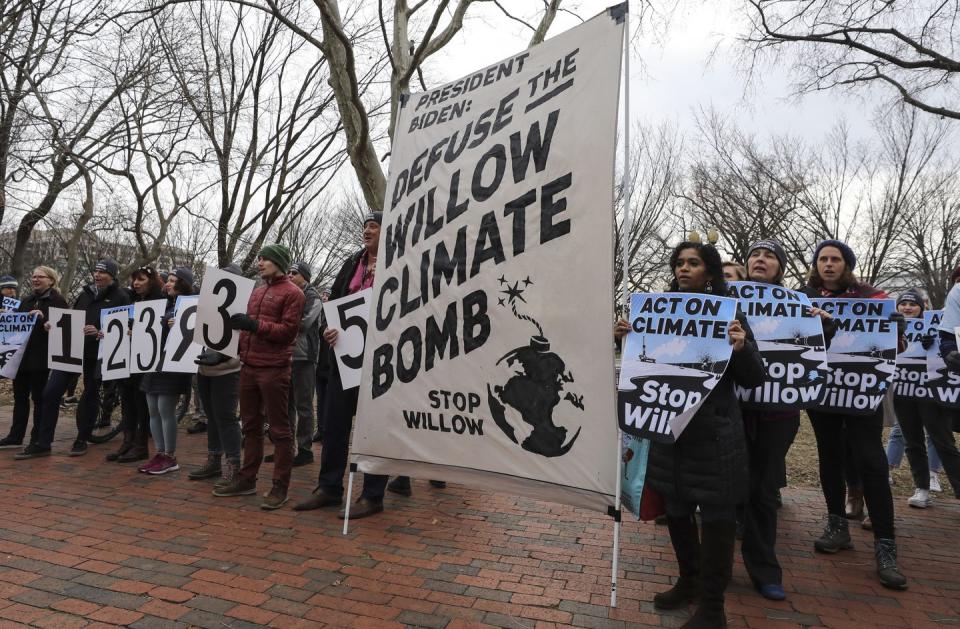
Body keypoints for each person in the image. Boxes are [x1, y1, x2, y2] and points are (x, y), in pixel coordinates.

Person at [644, 241, 765, 629]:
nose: (683, 269)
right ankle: (688, 582)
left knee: (715, 518)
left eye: (693, 263)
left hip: (714, 435)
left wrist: (741, 347)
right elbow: (643, 365)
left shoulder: (731, 315)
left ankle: (713, 607)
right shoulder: (655, 312)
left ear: (709, 272)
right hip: (671, 431)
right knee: (677, 511)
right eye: (679, 263)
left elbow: (754, 377)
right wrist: (625, 337)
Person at [801, 239, 907, 590]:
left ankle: (885, 546)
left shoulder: (874, 297)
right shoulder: (803, 298)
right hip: (822, 391)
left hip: (863, 393)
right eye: (822, 259)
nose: (828, 264)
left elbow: (897, 348)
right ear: (815, 265)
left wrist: (898, 328)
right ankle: (836, 526)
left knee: (871, 462)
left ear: (847, 264)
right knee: (830, 458)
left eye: (835, 259)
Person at [737, 240, 836, 602]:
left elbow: (814, 350)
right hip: (733, 412)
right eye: (755, 255)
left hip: (778, 414)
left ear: (780, 268)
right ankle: (709, 569)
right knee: (731, 488)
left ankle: (764, 570)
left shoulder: (798, 305)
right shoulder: (722, 300)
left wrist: (825, 327)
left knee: (763, 490)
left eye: (769, 256)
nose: (761, 260)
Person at [294, 212, 389, 519]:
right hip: (343, 357)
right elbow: (333, 304)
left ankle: (373, 494)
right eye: (364, 227)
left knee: (372, 427)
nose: (367, 231)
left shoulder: (397, 264)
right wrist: (328, 328)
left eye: (373, 226)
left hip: (379, 360)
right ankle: (329, 488)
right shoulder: (351, 263)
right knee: (334, 422)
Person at [214, 244, 305, 510]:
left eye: (265, 258)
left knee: (280, 430)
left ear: (278, 262)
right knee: (251, 426)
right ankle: (247, 479)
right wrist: (226, 354)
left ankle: (280, 487)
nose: (260, 262)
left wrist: (254, 325)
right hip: (249, 366)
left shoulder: (293, 293)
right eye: (261, 258)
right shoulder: (256, 292)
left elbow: (288, 332)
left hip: (274, 369)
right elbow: (244, 332)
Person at [16, 259, 132, 459]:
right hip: (73, 349)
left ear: (112, 276)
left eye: (102, 272)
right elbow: (72, 317)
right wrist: (54, 325)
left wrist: (100, 332)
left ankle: (82, 439)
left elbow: (126, 326)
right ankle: (43, 443)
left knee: (90, 393)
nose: (97, 275)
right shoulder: (85, 294)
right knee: (51, 392)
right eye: (95, 271)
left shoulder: (121, 297)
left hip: (98, 353)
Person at [889, 289, 960, 508]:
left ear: (922, 308)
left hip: (931, 392)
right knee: (912, 441)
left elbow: (951, 347)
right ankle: (922, 488)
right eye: (903, 303)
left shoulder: (939, 325)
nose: (907, 307)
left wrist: (935, 345)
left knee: (943, 441)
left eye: (913, 304)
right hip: (903, 389)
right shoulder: (893, 325)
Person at [0, 267, 68, 450]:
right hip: (21, 357)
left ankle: (37, 437)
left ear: (51, 280)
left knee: (39, 399)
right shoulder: (27, 300)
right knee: (20, 398)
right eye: (34, 276)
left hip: (41, 358)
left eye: (40, 277)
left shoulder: (58, 301)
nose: (35, 279)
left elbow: (63, 329)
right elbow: (16, 324)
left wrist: (44, 319)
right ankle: (15, 435)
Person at [137, 268, 195, 475]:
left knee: (165, 409)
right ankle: (160, 453)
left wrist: (177, 323)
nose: (167, 284)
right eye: (167, 280)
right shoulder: (161, 303)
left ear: (183, 284)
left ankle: (170, 456)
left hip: (173, 364)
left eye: (173, 281)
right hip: (155, 361)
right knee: (152, 408)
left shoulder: (192, 305)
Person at [190, 263, 244, 485]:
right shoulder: (209, 302)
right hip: (205, 368)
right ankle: (214, 458)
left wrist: (225, 356)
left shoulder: (243, 305)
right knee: (211, 417)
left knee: (226, 418)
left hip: (228, 370)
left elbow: (243, 338)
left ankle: (233, 464)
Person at [106, 266, 164, 463]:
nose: (136, 283)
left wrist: (136, 331)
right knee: (127, 401)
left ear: (151, 280)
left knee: (141, 404)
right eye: (134, 280)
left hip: (145, 361)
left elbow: (156, 332)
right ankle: (127, 442)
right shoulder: (132, 299)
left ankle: (141, 446)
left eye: (141, 279)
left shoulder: (159, 301)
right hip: (126, 358)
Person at [285, 261, 322, 466]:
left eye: (295, 273)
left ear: (305, 277)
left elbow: (306, 323)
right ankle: (286, 448)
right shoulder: (288, 294)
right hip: (286, 355)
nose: (289, 275)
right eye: (288, 272)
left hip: (304, 357)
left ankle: (305, 449)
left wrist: (283, 323)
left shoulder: (312, 296)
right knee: (286, 404)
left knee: (304, 406)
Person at [313, 286, 332, 443]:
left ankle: (328, 430)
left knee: (329, 400)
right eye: (323, 294)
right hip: (318, 363)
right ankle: (320, 429)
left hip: (330, 363)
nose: (325, 297)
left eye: (328, 295)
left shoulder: (335, 315)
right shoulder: (318, 313)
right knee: (320, 399)